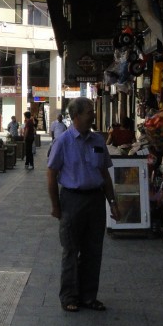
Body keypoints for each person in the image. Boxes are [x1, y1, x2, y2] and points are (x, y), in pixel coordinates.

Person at [46, 96, 119, 313]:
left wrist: (112, 202)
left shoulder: (98, 141)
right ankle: (69, 296)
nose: (93, 115)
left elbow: (104, 174)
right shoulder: (63, 141)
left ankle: (89, 296)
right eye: (89, 112)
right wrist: (55, 205)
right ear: (76, 116)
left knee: (93, 250)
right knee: (71, 249)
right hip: (72, 199)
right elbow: (51, 174)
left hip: (95, 200)